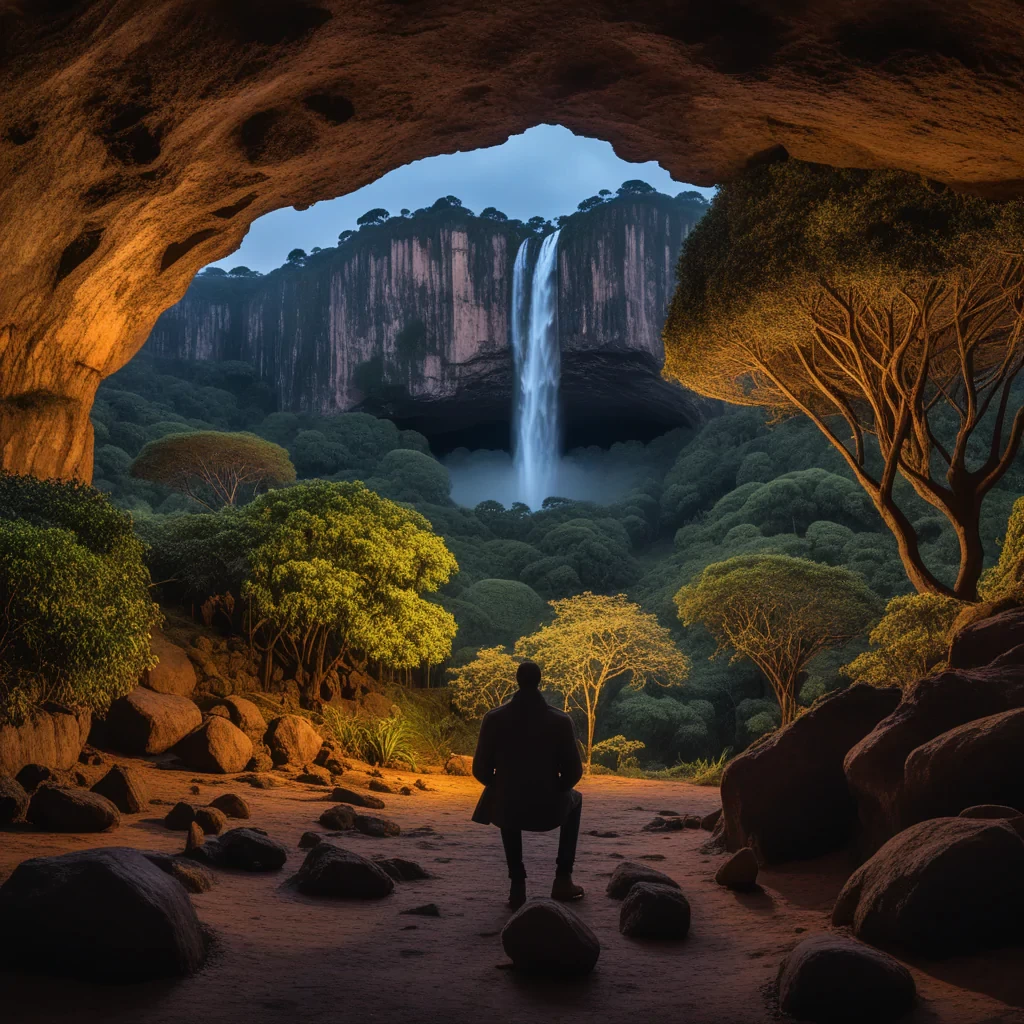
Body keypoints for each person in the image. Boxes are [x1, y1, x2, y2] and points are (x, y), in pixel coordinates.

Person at [471, 660, 585, 909]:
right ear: (539, 681)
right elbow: (574, 773)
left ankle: (517, 883)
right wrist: (555, 787)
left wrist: (501, 783)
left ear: (517, 681)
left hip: (508, 807)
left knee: (505, 795)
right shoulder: (560, 721)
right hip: (549, 807)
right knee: (576, 801)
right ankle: (563, 878)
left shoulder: (494, 718)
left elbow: (479, 770)